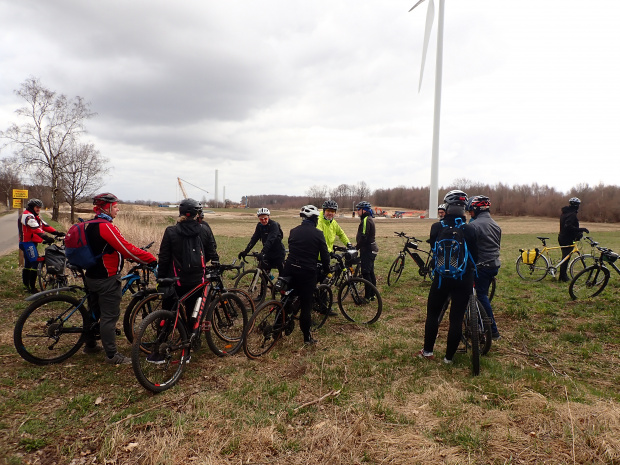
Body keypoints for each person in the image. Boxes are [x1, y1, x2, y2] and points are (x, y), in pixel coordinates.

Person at [84, 193, 157, 365]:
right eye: (115, 206)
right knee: (110, 316)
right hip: (106, 278)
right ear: (106, 208)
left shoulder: (90, 225)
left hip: (91, 275)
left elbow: (108, 248)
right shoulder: (106, 226)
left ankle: (90, 345)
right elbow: (126, 248)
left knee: (93, 312)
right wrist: (149, 258)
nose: (118, 209)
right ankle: (112, 355)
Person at [418, 190, 478, 364]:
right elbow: (475, 255)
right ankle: (448, 358)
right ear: (463, 208)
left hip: (441, 279)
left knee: (432, 314)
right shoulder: (469, 229)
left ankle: (428, 351)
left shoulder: (437, 227)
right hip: (463, 278)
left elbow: (434, 250)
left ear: (447, 207)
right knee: (456, 318)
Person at [158, 198, 219, 323]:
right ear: (196, 214)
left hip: (175, 279)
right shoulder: (204, 229)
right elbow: (211, 252)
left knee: (168, 312)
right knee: (193, 313)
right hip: (197, 279)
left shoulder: (171, 231)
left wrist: (162, 278)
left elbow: (164, 258)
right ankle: (191, 338)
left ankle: (163, 334)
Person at [282, 205, 330, 345]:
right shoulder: (318, 233)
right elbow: (325, 256)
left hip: (289, 268)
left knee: (286, 297)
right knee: (306, 305)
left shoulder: (293, 231)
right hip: (307, 272)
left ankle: (280, 324)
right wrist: (326, 269)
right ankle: (307, 338)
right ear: (315, 219)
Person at [466, 195, 502, 340]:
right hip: (493, 264)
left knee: (480, 296)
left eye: (470, 210)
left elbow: (469, 249)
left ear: (475, 209)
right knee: (482, 294)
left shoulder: (474, 226)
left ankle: (492, 330)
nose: (469, 213)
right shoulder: (495, 224)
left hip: (482, 266)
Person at [18, 198, 65, 293]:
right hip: (27, 243)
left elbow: (45, 226)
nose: (38, 209)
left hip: (31, 243)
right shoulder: (27, 216)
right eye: (37, 207)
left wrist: (57, 232)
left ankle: (26, 285)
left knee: (28, 264)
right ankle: (32, 288)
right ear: (31, 207)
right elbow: (35, 228)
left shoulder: (35, 216)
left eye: (39, 207)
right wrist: (46, 237)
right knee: (35, 263)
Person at [238, 207, 286, 275]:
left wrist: (263, 252)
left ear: (269, 217)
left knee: (281, 274)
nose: (263, 221)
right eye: (261, 219)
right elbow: (254, 239)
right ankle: (265, 283)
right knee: (265, 273)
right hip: (268, 253)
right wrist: (246, 251)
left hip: (278, 252)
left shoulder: (274, 225)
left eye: (265, 218)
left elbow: (270, 240)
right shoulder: (259, 226)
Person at [558, 197, 589, 282]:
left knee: (565, 257)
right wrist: (581, 229)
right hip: (566, 238)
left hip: (562, 237)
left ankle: (562, 276)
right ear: (576, 205)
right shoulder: (572, 214)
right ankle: (563, 277)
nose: (579, 206)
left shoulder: (565, 213)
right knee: (566, 257)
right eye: (578, 205)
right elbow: (568, 226)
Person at [354, 201, 378, 300]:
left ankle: (367, 296)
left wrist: (356, 247)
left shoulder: (366, 220)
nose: (357, 211)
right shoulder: (369, 219)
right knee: (370, 272)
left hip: (367, 249)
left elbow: (364, 237)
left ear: (364, 210)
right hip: (372, 249)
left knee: (365, 273)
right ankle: (372, 294)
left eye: (358, 209)